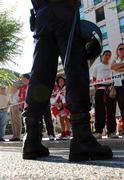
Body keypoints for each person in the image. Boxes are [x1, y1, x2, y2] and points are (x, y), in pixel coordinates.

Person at [22, 0, 113, 161]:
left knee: (41, 71)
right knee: (74, 65)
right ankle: (82, 138)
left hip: (41, 13)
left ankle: (31, 139)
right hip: (64, 8)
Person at [92, 50, 117, 139]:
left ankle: (112, 131)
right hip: (100, 90)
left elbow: (115, 77)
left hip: (110, 89)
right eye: (106, 54)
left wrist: (113, 88)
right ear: (102, 56)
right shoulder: (97, 66)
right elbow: (94, 78)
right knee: (99, 111)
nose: (108, 56)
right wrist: (96, 88)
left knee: (111, 111)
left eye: (109, 55)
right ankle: (98, 131)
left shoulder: (112, 66)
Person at [111, 43, 124, 134]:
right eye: (120, 49)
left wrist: (119, 67)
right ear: (117, 51)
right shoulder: (115, 60)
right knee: (122, 106)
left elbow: (117, 68)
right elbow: (113, 67)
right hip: (119, 85)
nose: (122, 50)